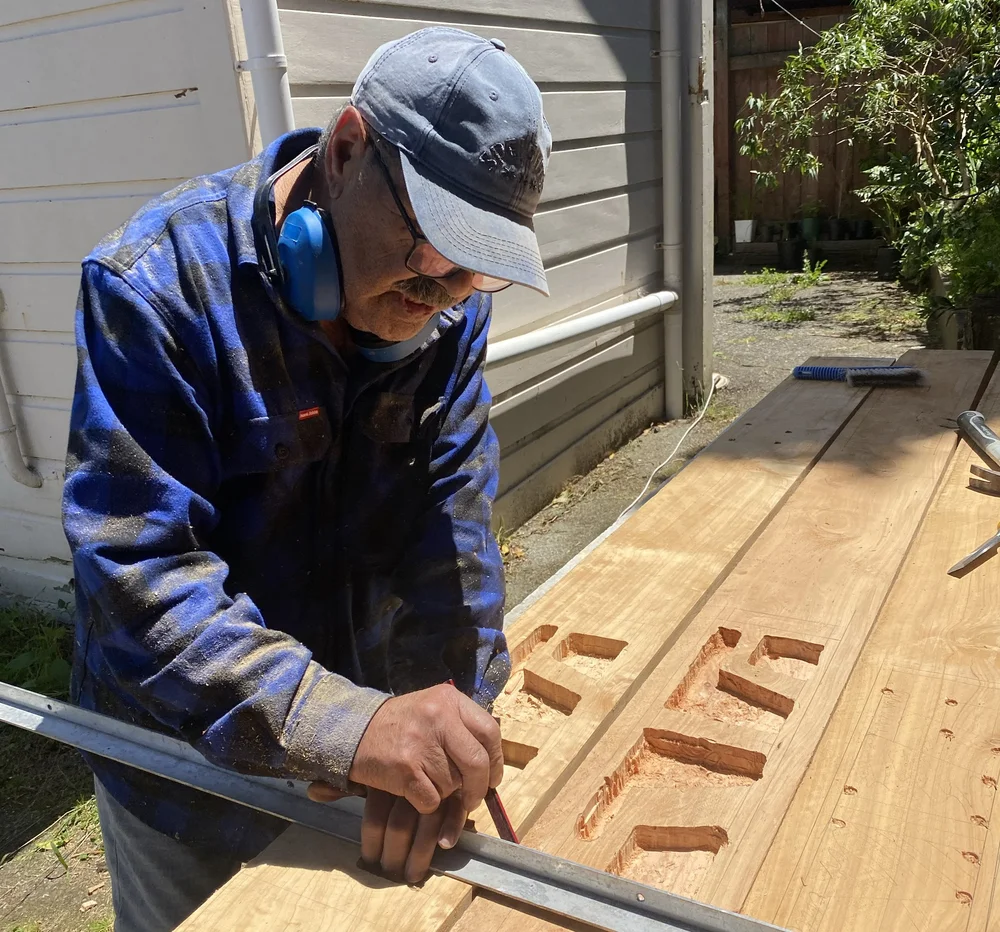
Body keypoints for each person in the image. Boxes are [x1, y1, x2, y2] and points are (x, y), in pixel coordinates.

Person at [62, 26, 550, 932]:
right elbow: (139, 574)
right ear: (348, 147)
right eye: (429, 244)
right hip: (183, 767)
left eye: (474, 270)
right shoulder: (156, 287)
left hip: (354, 748)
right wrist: (343, 724)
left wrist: (448, 719)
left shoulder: (450, 312)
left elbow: (452, 520)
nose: (440, 292)